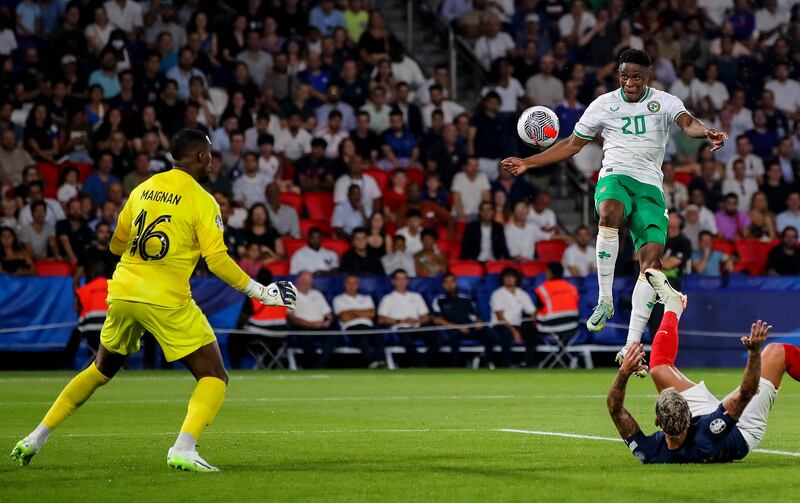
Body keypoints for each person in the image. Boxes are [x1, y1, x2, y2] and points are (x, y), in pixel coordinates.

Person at [10, 130, 298, 472]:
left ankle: (35, 437)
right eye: (208, 154)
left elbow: (116, 245)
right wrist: (262, 292)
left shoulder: (142, 189)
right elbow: (217, 259)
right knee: (214, 376)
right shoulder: (202, 199)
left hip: (122, 293)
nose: (211, 160)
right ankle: (183, 447)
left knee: (100, 369)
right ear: (201, 157)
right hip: (165, 298)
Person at [502, 48, 728, 371]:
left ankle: (631, 346)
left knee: (650, 266)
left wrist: (707, 131)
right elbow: (571, 144)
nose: (629, 82)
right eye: (624, 76)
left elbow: (687, 123)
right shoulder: (604, 105)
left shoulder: (664, 102)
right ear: (618, 75)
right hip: (615, 176)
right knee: (609, 212)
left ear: (647, 76)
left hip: (650, 187)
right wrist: (527, 162)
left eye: (636, 76)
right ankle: (604, 299)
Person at [608, 268, 797, 464]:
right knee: (777, 353)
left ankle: (673, 305)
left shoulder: (650, 452)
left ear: (658, 422)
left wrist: (624, 371)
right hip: (742, 429)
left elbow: (615, 410)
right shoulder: (708, 431)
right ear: (690, 414)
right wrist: (755, 354)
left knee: (659, 370)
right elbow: (747, 393)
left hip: (703, 425)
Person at [432, 273, 509, 368]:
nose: (450, 284)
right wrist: (458, 327)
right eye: (446, 282)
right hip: (452, 328)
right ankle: (456, 366)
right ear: (443, 285)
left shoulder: (465, 299)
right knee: (452, 335)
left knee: (488, 332)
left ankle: (486, 363)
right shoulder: (439, 300)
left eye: (452, 281)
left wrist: (478, 322)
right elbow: (437, 320)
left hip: (469, 327)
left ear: (456, 283)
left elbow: (476, 315)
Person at [377, 269, 433, 367]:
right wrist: (400, 320)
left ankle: (424, 361)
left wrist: (417, 320)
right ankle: (419, 365)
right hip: (400, 328)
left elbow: (426, 316)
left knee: (437, 337)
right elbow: (381, 319)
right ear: (393, 281)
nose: (401, 282)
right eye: (398, 279)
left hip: (417, 327)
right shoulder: (388, 298)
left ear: (408, 281)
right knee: (407, 339)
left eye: (404, 279)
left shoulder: (416, 296)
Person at [332, 274, 386, 368]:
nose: (352, 286)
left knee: (379, 333)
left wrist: (352, 311)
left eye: (354, 283)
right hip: (351, 327)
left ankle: (379, 360)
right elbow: (344, 317)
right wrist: (363, 312)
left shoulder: (366, 298)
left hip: (368, 325)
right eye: (349, 283)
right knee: (361, 336)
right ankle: (373, 362)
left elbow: (372, 314)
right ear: (344, 284)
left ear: (358, 285)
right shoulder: (338, 299)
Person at [287, 271, 336, 369]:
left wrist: (328, 321)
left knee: (335, 334)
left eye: (309, 281)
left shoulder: (317, 294)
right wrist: (311, 324)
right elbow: (292, 318)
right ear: (298, 281)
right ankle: (315, 366)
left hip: (320, 326)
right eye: (304, 281)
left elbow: (328, 313)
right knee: (305, 336)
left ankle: (319, 365)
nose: (307, 284)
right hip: (303, 326)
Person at [490, 267, 536, 366]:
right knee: (505, 333)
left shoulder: (522, 293)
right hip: (500, 325)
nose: (509, 279)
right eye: (506, 277)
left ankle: (528, 363)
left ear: (516, 279)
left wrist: (539, 324)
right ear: (502, 279)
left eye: (512, 277)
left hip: (517, 325)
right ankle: (506, 364)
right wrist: (514, 332)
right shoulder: (497, 294)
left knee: (532, 330)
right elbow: (500, 318)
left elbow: (532, 312)